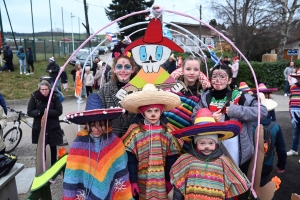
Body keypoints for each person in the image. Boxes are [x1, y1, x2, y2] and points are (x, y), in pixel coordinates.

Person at [192, 64, 268, 170]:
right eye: (214, 76)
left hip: (235, 145)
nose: (217, 80)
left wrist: (236, 110)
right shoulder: (205, 97)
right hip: (210, 145)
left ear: (229, 80)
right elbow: (194, 117)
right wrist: (209, 117)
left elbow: (262, 112)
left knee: (233, 173)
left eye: (222, 77)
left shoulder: (241, 96)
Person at [63, 93, 133, 200]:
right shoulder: (77, 146)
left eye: (101, 125)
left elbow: (121, 168)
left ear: (107, 123)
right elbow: (71, 175)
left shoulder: (114, 142)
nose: (97, 129)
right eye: (92, 125)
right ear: (86, 124)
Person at [120, 83, 183, 200]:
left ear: (161, 112)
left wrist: (169, 180)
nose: (153, 114)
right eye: (149, 111)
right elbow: (131, 159)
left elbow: (171, 158)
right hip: (141, 180)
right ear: (142, 113)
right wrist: (133, 181)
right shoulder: (136, 132)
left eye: (156, 111)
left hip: (161, 180)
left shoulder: (168, 132)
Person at [170, 108, 249, 199]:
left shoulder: (224, 162)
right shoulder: (186, 161)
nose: (206, 147)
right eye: (202, 143)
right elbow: (178, 185)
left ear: (216, 143)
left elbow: (229, 188)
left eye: (211, 143)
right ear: (195, 143)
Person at [98, 42, 137, 138]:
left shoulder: (141, 89)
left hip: (135, 141)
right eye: (119, 67)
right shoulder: (105, 90)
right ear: (114, 69)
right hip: (112, 141)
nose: (123, 70)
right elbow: (97, 118)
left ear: (133, 69)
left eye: (127, 67)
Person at [252, 93, 286, 187]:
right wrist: (281, 165)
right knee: (262, 186)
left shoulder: (248, 125)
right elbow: (281, 149)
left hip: (249, 164)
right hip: (267, 165)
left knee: (248, 187)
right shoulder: (276, 127)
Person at [27, 80, 63, 166]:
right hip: (40, 128)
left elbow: (59, 111)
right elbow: (30, 111)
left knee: (52, 149)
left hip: (52, 128)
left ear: (49, 89)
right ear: (39, 89)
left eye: (46, 89)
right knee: (41, 149)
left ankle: (53, 168)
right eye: (42, 89)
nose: (44, 91)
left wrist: (48, 112)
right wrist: (40, 112)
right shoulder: (34, 97)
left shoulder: (54, 97)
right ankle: (42, 167)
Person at [287, 68, 300, 160]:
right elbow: (291, 100)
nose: (299, 79)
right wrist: (291, 112)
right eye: (298, 77)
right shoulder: (293, 87)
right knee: (296, 133)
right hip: (295, 114)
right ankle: (294, 149)